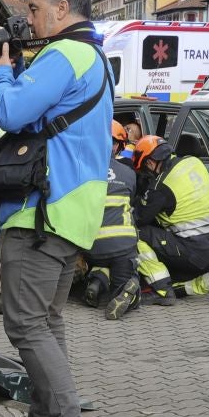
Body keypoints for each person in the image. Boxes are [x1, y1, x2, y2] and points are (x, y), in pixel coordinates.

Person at [0, 0, 111, 417]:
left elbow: (12, 112)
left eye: (34, 8)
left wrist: (1, 71)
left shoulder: (65, 54)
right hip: (72, 211)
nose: (30, 18)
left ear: (62, 7)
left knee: (26, 323)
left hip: (43, 211)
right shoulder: (92, 56)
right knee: (47, 321)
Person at [128, 134, 209, 310]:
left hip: (193, 250)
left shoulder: (162, 186)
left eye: (144, 171)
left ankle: (161, 290)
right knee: (177, 283)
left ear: (150, 163)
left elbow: (138, 218)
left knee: (132, 233)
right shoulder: (193, 162)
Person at [81, 131, 142, 318]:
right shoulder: (128, 173)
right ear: (116, 147)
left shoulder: (83, 171)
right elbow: (132, 200)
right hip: (123, 245)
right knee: (125, 280)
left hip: (91, 246)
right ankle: (129, 291)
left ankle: (96, 282)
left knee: (101, 260)